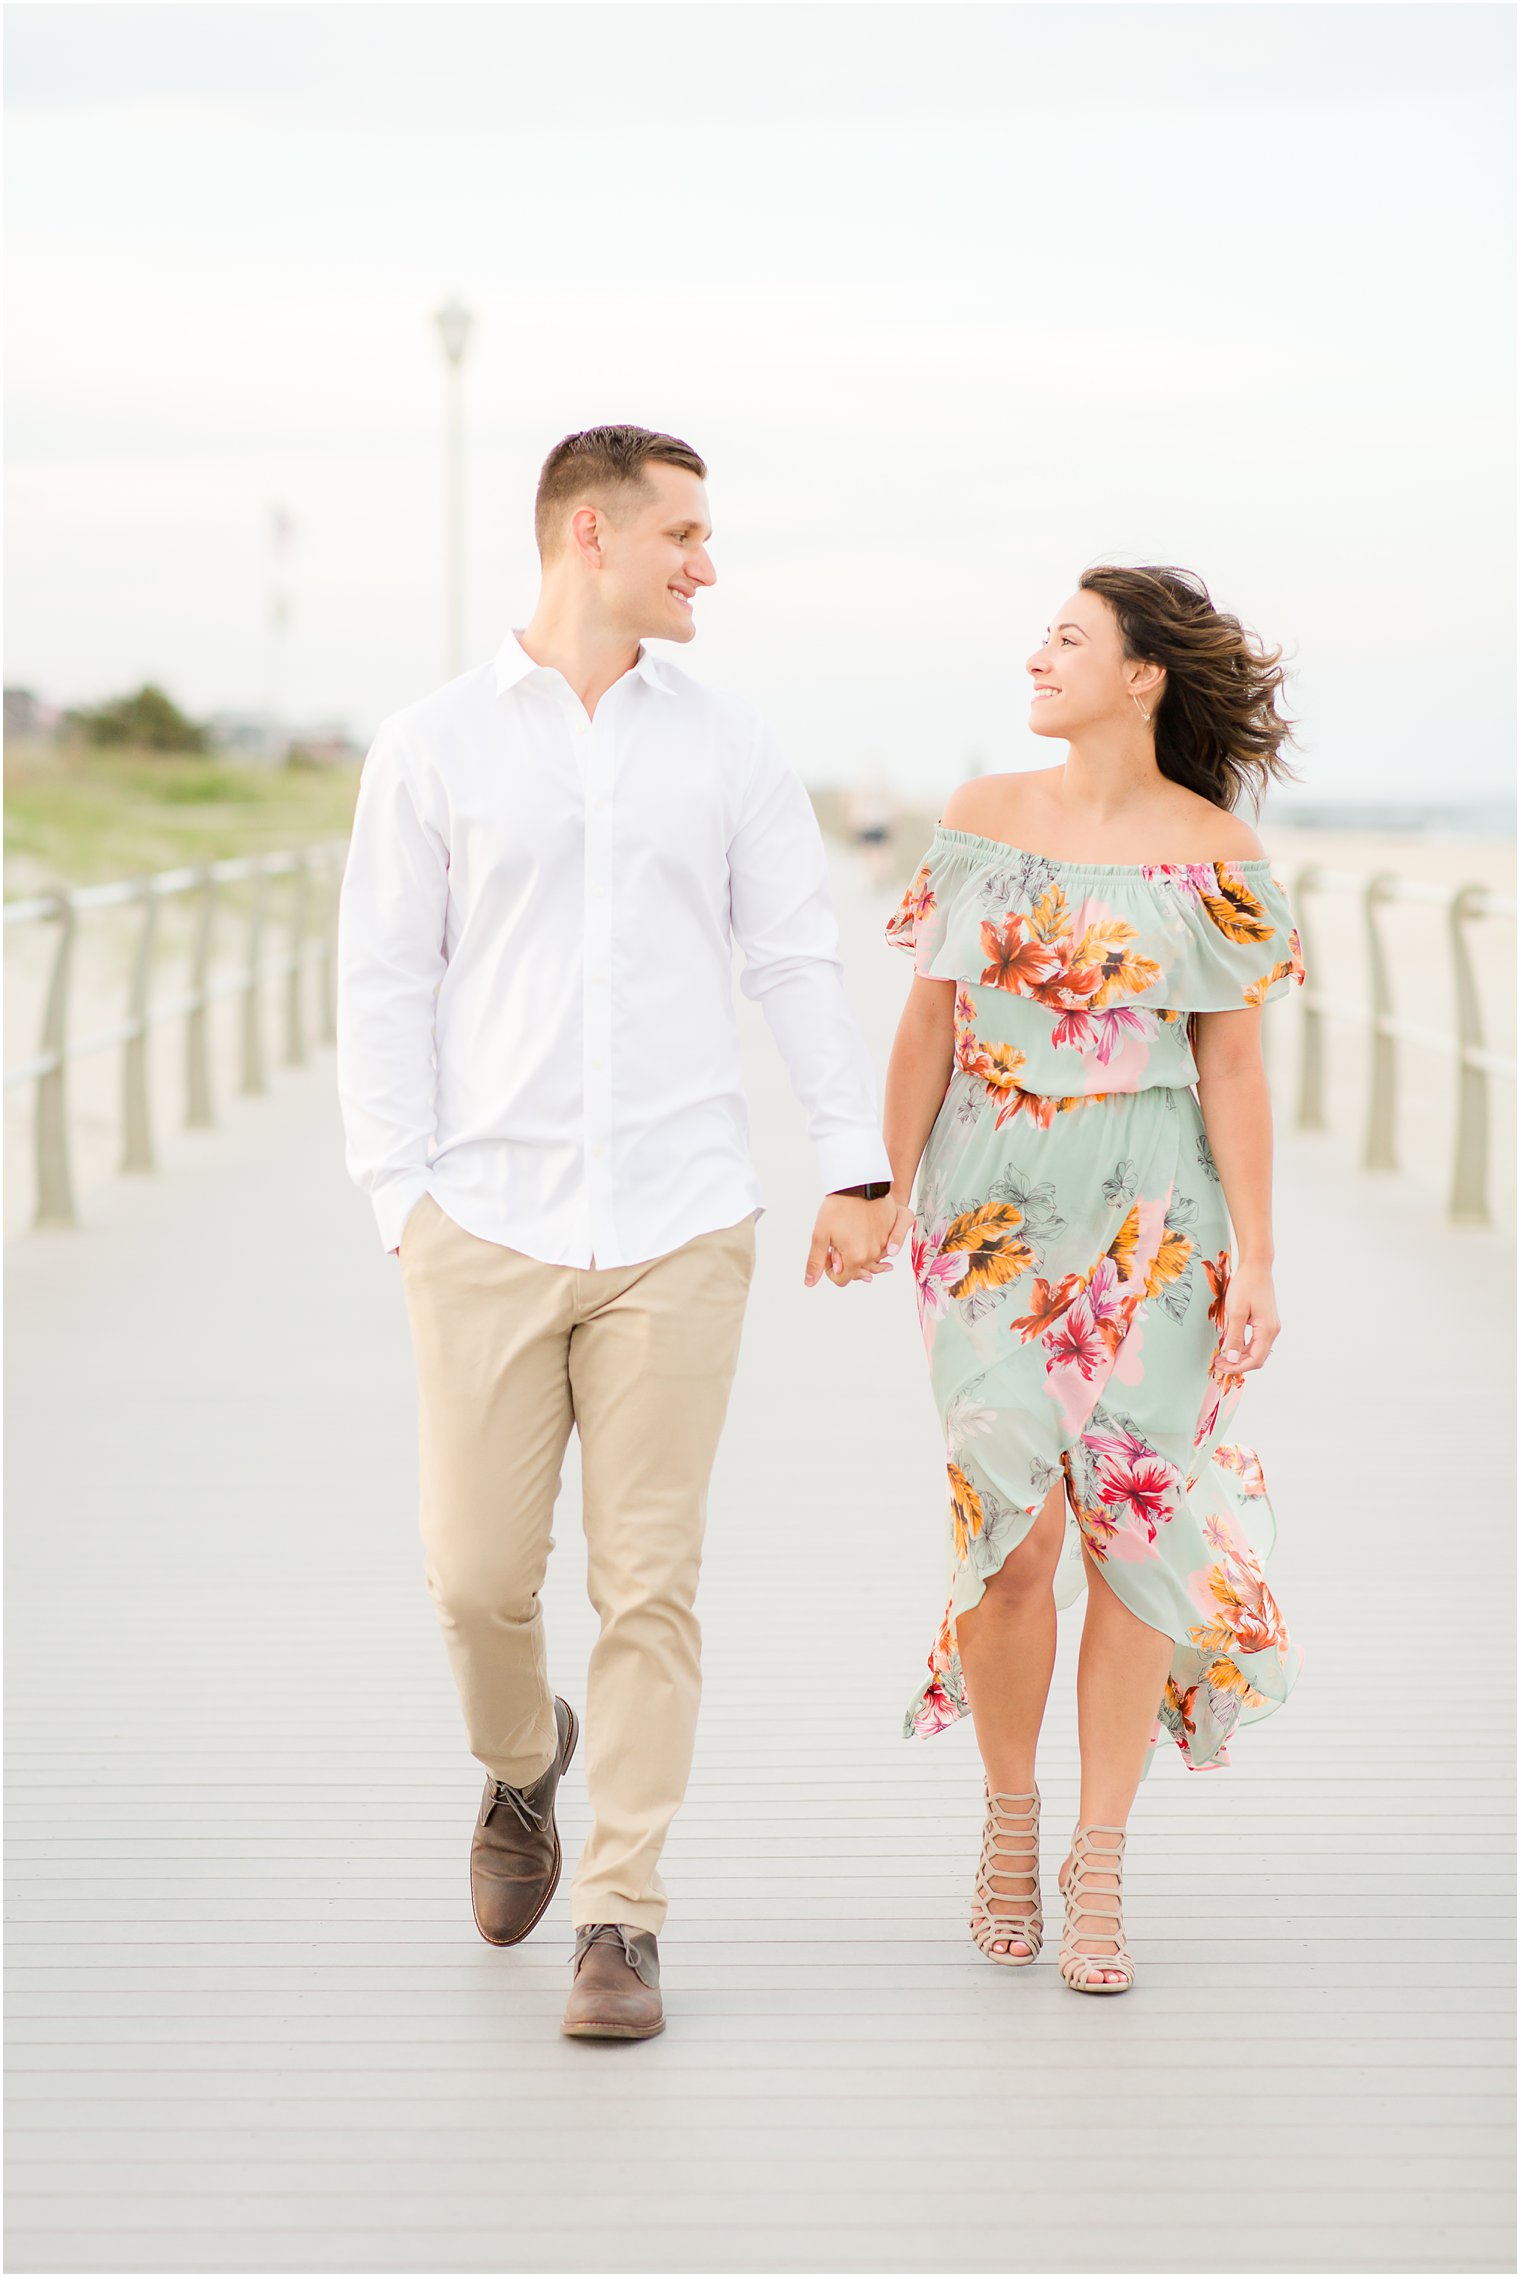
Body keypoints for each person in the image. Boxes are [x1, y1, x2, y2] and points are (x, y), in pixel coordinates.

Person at [336, 425, 905, 2040]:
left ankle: (622, 1916)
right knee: (475, 1577)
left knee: (650, 1581)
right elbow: (382, 978)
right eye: (685, 535)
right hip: (483, 1218)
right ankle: (525, 1761)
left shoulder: (730, 743)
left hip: (682, 1219)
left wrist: (854, 1166)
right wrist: (401, 1197)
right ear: (590, 534)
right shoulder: (432, 744)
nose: (708, 564)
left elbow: (795, 958)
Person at [881, 565, 1305, 1993]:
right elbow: (928, 1023)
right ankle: (1011, 1819)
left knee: (1130, 1531)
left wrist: (1257, 1256)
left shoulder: (1215, 852)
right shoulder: (984, 815)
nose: (1038, 656)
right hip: (987, 1216)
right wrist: (879, 1189)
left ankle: (1102, 1856)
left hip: (1159, 1222)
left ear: (1143, 677)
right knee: (1010, 1531)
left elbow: (1232, 1069)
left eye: (1068, 638)